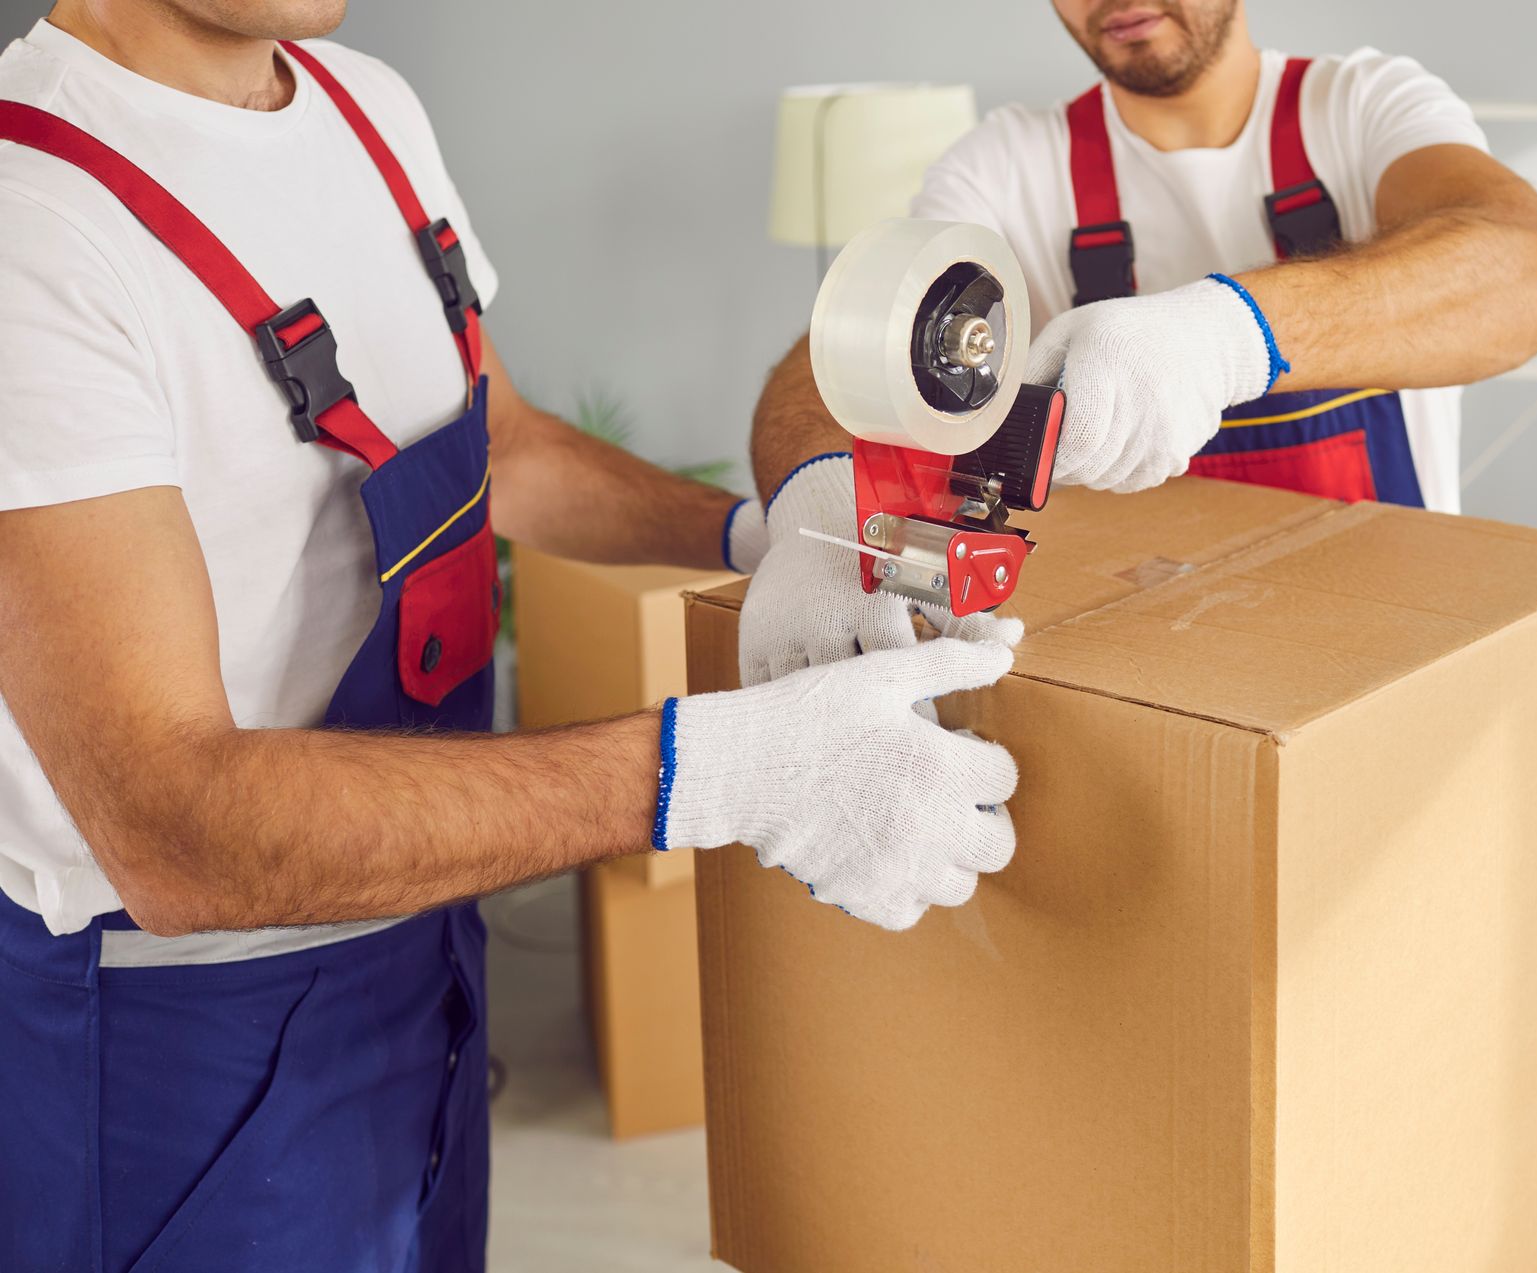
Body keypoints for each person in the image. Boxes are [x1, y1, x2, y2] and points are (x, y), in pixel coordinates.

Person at [0, 3, 1019, 1269]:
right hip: (184, 1040)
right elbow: (170, 826)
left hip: (420, 939)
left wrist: (762, 539)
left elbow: (505, 446)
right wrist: (727, 772)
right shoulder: (34, 223)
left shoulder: (367, 106)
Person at [740, 0, 1537, 684]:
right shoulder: (1004, 166)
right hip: (1143, 673)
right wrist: (817, 510)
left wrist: (1223, 336)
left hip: (1396, 663)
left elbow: (1534, 274)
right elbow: (850, 348)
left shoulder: (1363, 109)